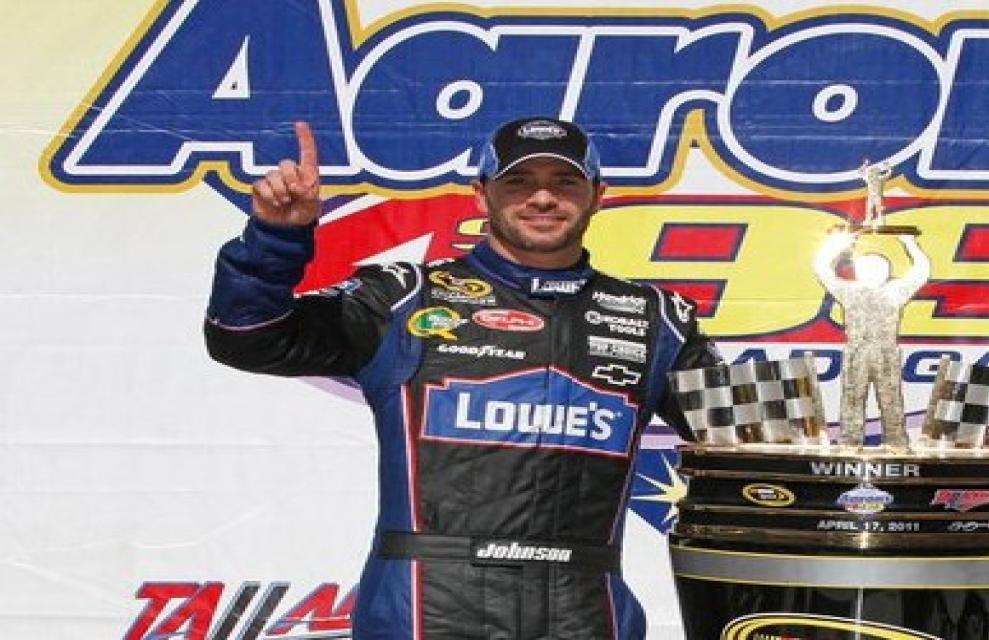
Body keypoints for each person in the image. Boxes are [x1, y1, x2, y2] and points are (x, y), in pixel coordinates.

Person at [204, 117, 722, 639]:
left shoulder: (655, 320)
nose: (543, 198)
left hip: (583, 615)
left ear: (597, 196)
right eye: (519, 182)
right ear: (481, 194)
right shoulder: (404, 299)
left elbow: (749, 438)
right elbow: (245, 336)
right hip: (422, 614)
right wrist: (276, 239)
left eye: (564, 182)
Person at [813, 231, 930, 449]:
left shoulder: (895, 291)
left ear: (887, 272)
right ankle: (849, 443)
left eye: (878, 268)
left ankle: (896, 443)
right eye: (866, 268)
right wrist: (835, 245)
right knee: (851, 399)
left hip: (886, 353)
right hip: (856, 352)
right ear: (858, 272)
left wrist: (910, 244)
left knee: (891, 400)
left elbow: (921, 272)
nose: (872, 272)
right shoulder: (850, 291)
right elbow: (822, 269)